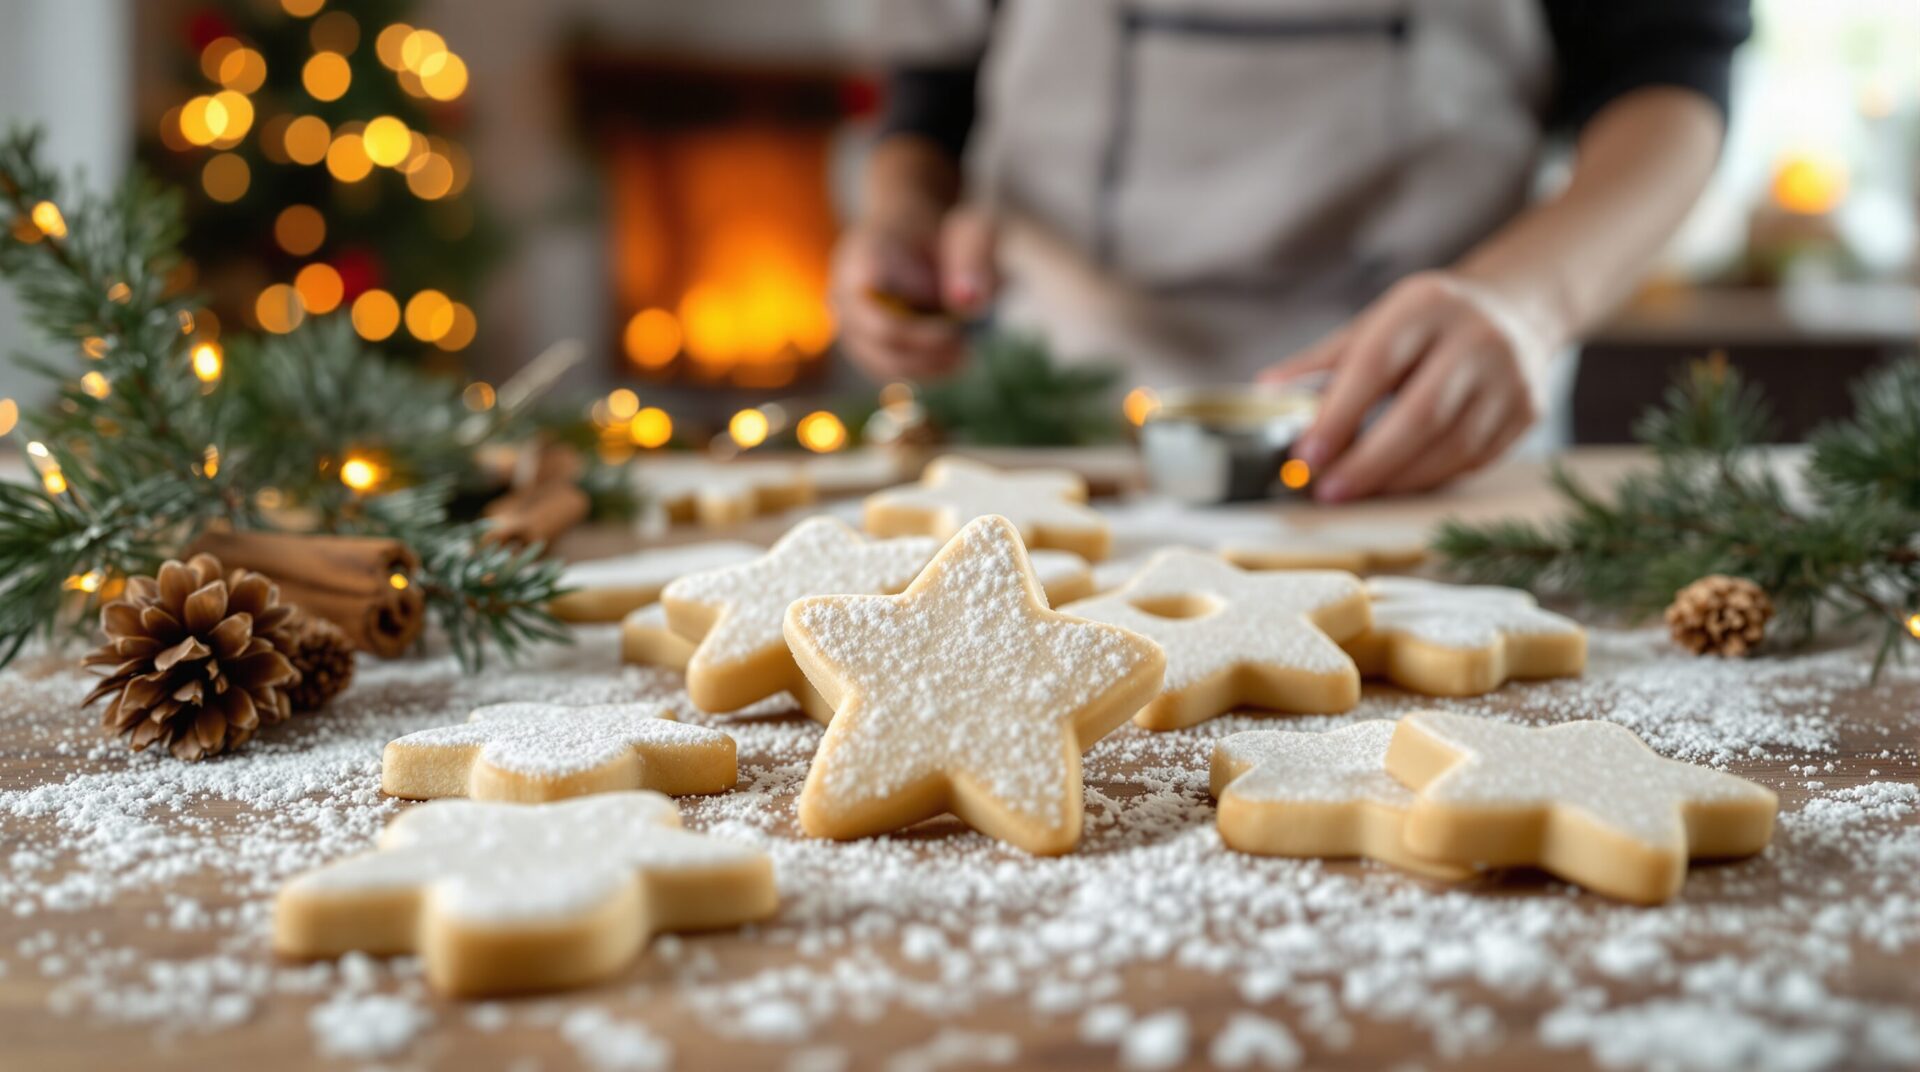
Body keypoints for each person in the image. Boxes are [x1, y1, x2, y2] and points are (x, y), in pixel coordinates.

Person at [831, 1, 1749, 501]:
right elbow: (935, 81)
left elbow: (1669, 69)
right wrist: (905, 208)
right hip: (1053, 431)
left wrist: (1529, 301)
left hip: (1421, 431)